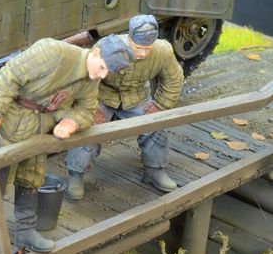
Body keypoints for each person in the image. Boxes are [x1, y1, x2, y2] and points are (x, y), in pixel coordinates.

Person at [0, 35, 134, 253]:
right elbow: (9, 75)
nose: (102, 75)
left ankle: (25, 232)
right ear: (96, 53)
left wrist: (72, 121)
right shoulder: (52, 52)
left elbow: (88, 110)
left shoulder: (92, 79)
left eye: (108, 72)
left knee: (31, 178)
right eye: (102, 67)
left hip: (38, 130)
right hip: (10, 123)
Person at [64, 15, 185, 200]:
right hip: (102, 96)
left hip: (136, 96)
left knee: (155, 125)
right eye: (138, 47)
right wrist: (90, 109)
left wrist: (160, 105)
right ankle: (76, 174)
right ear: (129, 39)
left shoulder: (163, 51)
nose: (142, 53)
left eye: (147, 49)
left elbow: (174, 79)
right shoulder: (108, 47)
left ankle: (155, 170)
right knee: (87, 128)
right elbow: (87, 80)